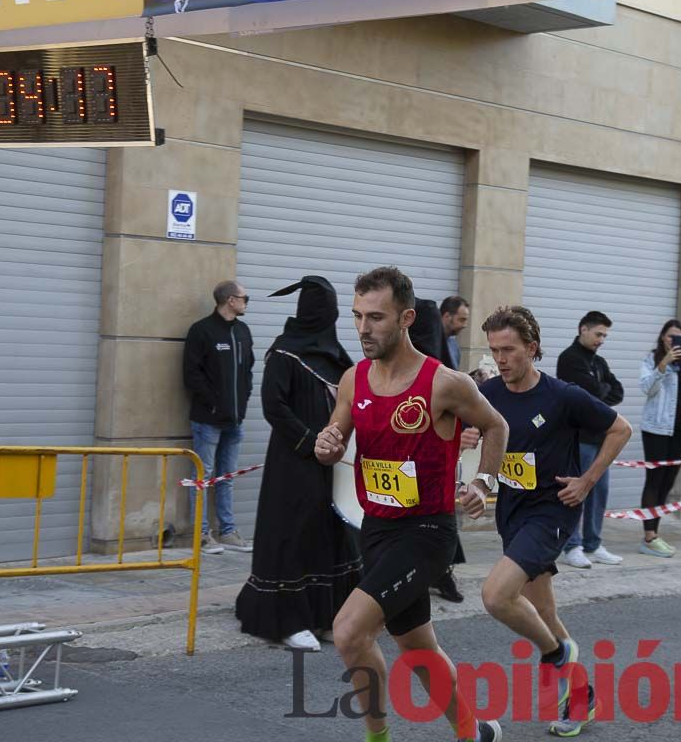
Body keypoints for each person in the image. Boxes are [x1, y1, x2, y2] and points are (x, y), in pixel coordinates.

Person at [315, 266, 510, 742]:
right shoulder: (352, 378)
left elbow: (496, 426)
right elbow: (337, 433)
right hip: (377, 527)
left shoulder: (443, 382)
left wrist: (483, 483)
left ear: (404, 318)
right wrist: (329, 442)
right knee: (418, 647)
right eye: (357, 316)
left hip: (426, 534)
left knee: (348, 631)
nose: (363, 328)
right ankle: (474, 731)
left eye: (376, 317)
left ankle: (377, 737)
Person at [468, 306, 630, 732]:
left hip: (552, 511)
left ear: (532, 348)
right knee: (543, 610)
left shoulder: (563, 396)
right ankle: (581, 697)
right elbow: (477, 435)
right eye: (494, 351)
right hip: (513, 512)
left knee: (496, 595)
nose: (500, 359)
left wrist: (588, 481)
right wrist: (471, 443)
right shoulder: (490, 396)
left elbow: (621, 429)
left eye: (509, 350)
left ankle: (556, 655)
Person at [235, 276, 361, 651]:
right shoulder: (284, 352)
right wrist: (311, 442)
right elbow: (275, 407)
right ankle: (289, 619)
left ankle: (326, 616)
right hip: (294, 462)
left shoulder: (336, 355)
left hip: (333, 464)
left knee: (332, 533)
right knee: (295, 532)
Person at [183, 280, 255, 554]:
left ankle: (227, 531)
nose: (246, 301)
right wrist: (213, 405)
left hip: (235, 421)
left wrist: (243, 402)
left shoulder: (243, 331)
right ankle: (201, 535)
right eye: (244, 297)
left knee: (228, 476)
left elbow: (248, 370)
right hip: (207, 421)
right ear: (230, 301)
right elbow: (191, 374)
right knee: (203, 475)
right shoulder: (202, 331)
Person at [409, 298, 468, 603]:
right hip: (402, 457)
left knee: (436, 513)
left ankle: (442, 572)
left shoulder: (443, 361)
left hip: (434, 455)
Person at [556, 311, 625, 568]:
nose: (601, 340)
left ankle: (594, 543)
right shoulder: (569, 359)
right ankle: (572, 545)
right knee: (577, 490)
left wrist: (599, 392)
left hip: (601, 438)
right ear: (583, 329)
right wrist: (599, 391)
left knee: (600, 491)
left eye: (605, 336)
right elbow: (594, 391)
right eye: (598, 334)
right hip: (579, 437)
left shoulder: (599, 362)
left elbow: (616, 390)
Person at [637, 320, 681, 558]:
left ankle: (655, 532)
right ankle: (648, 536)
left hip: (680, 431)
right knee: (654, 480)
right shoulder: (652, 359)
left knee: (668, 482)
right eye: (669, 337)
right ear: (662, 338)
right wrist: (663, 365)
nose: (673, 341)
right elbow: (647, 388)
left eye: (678, 337)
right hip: (655, 429)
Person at [440, 295, 471, 371]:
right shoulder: (429, 343)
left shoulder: (454, 346)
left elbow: (452, 377)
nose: (465, 325)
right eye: (461, 320)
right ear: (447, 316)